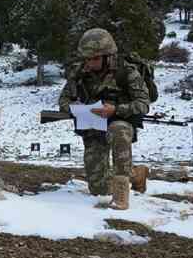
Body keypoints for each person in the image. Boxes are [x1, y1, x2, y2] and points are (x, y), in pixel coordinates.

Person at [58, 28, 150, 209]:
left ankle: (121, 195)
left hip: (119, 121)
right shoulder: (79, 73)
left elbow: (143, 103)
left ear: (108, 56)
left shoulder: (126, 71)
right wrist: (78, 109)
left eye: (95, 58)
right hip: (92, 125)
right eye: (87, 58)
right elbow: (63, 99)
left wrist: (116, 109)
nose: (90, 62)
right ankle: (137, 174)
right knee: (99, 189)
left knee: (118, 131)